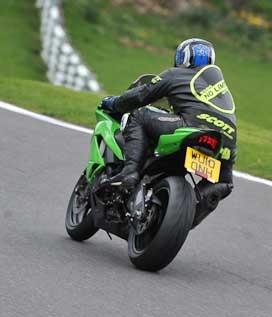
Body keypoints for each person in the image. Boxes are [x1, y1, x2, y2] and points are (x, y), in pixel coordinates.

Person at [97, 38, 235, 203]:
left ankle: (130, 172)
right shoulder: (223, 90)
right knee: (223, 183)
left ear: (183, 58)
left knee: (139, 115)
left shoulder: (176, 74)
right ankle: (191, 209)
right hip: (225, 142)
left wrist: (114, 103)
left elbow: (141, 95)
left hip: (192, 127)